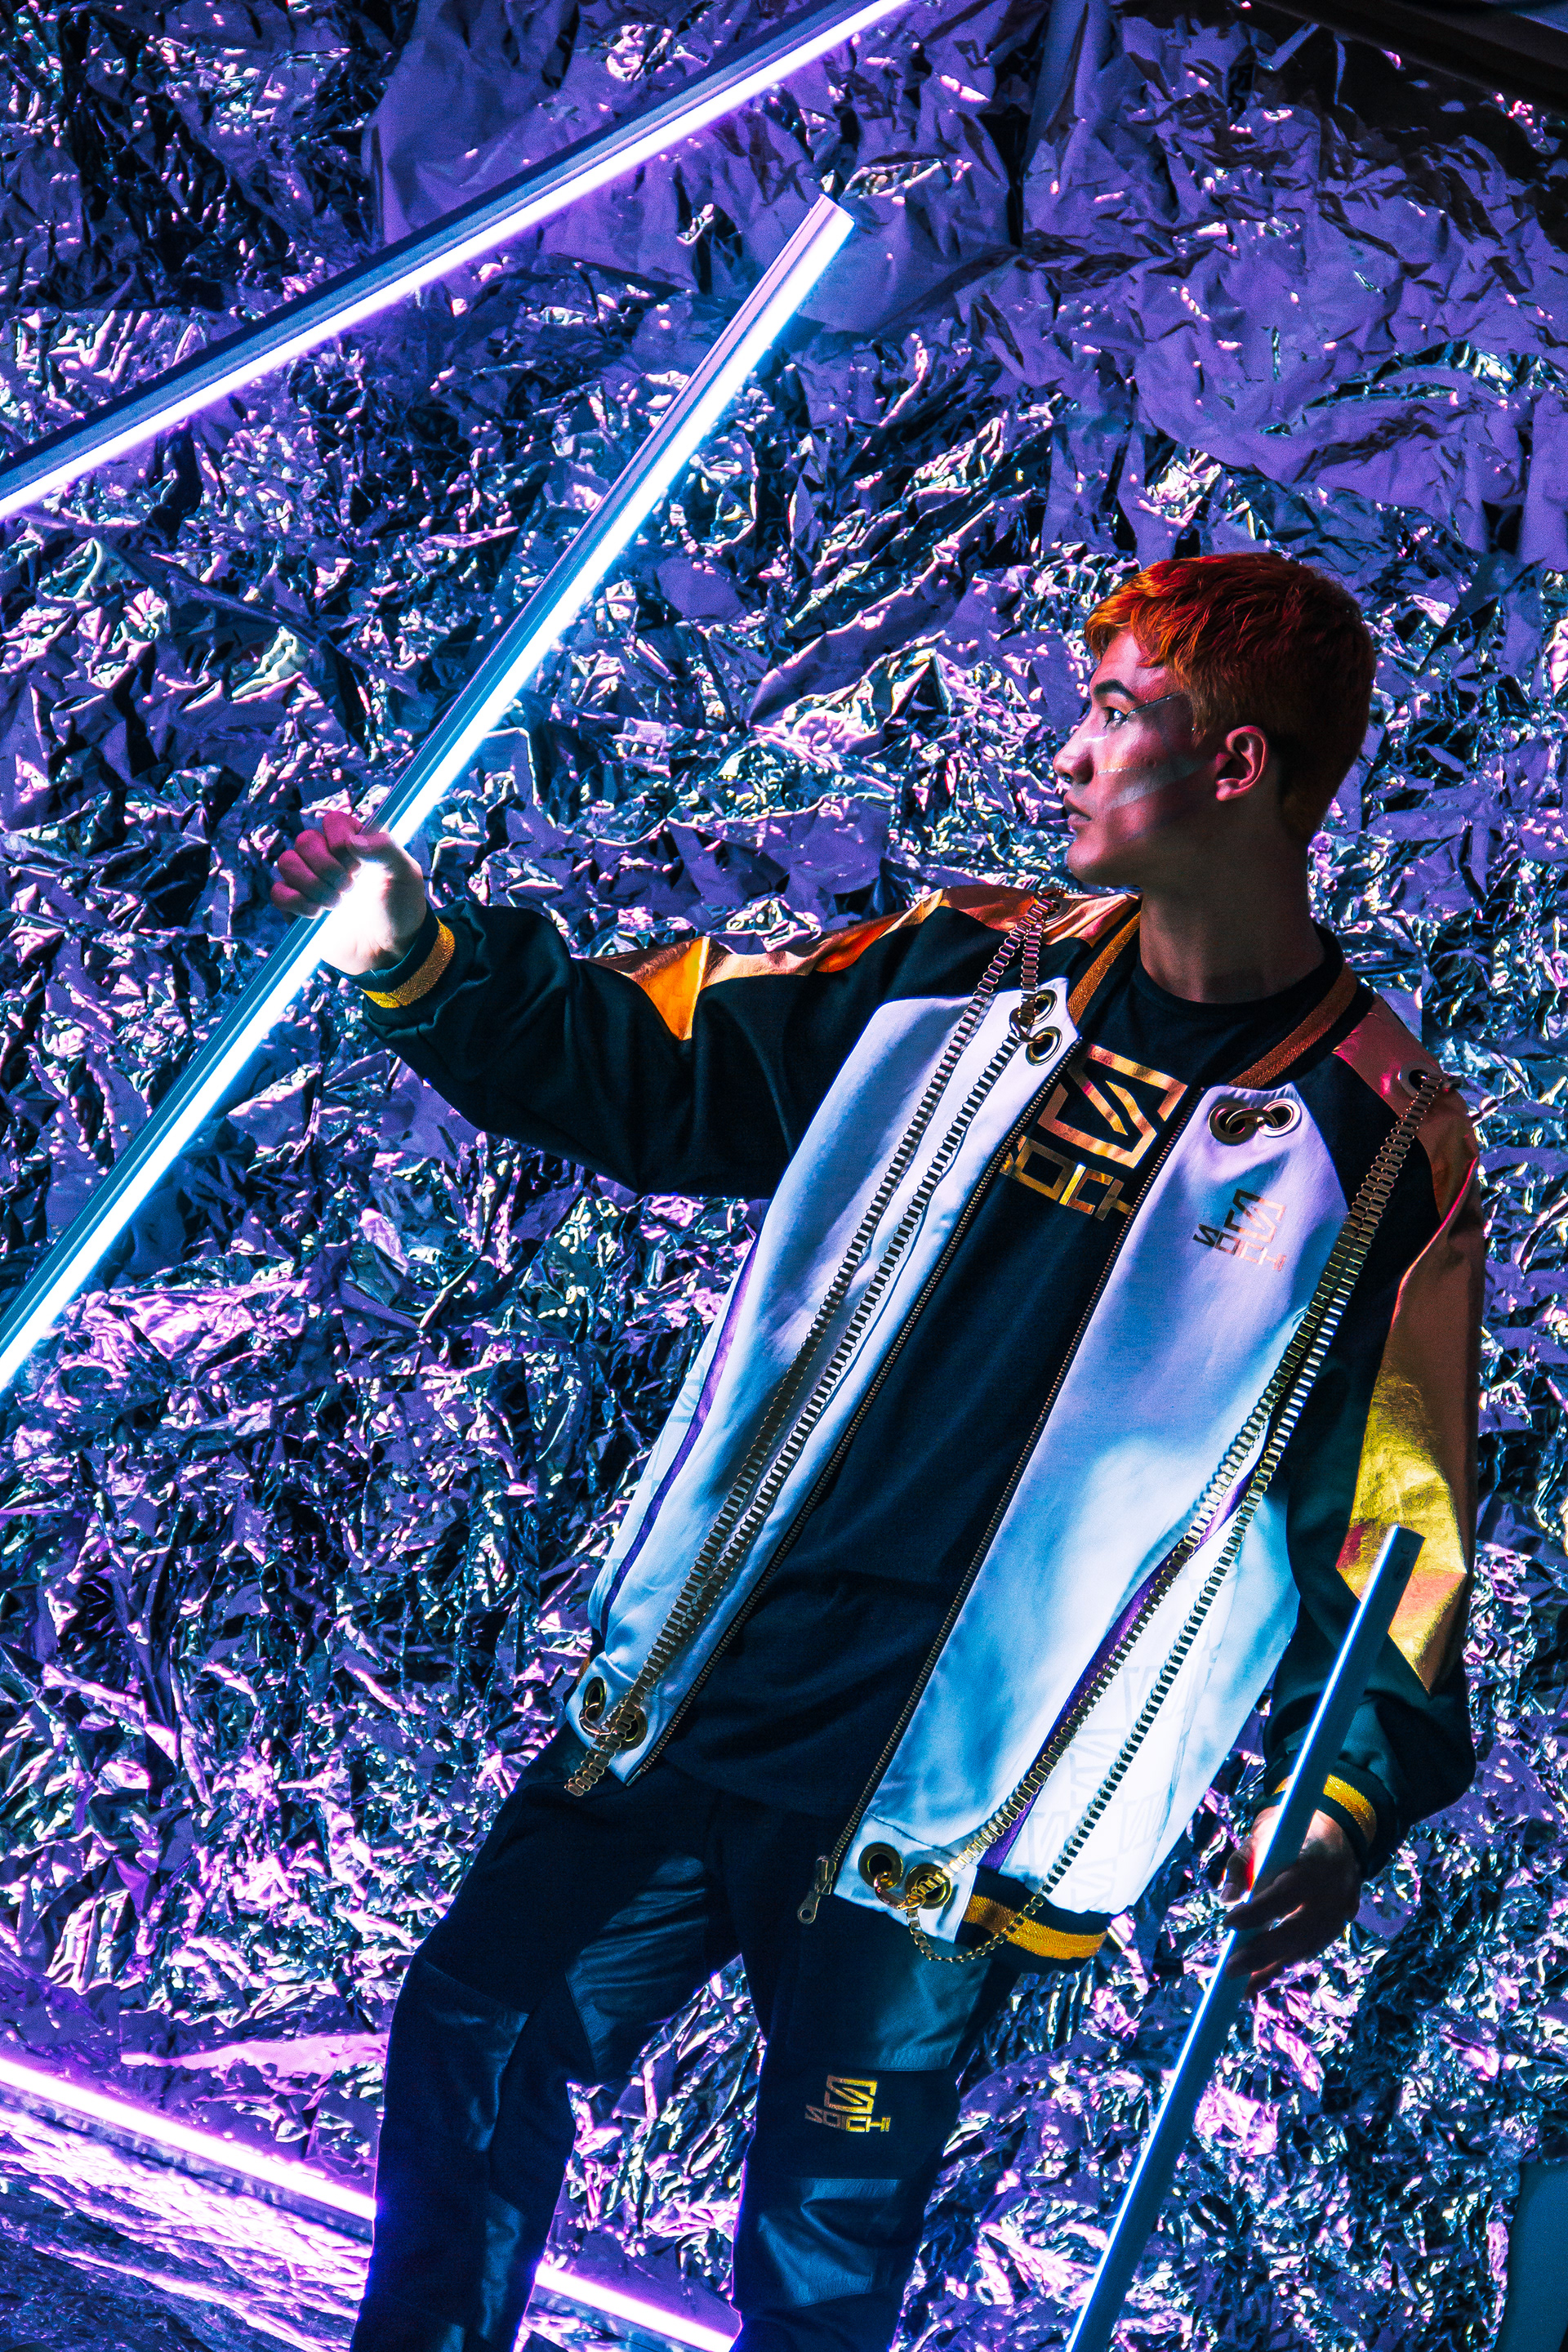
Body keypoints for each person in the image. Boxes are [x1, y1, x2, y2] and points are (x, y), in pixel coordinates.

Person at [271, 551, 1482, 2352]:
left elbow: (1396, 1532)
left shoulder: (1378, 1148)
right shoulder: (951, 969)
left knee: (818, 2261)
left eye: (1115, 715)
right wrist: (423, 958)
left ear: (1236, 766)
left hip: (958, 1808)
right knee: (477, 2026)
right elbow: (660, 1075)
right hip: (706, 1690)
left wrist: (1342, 1801)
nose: (1069, 754)